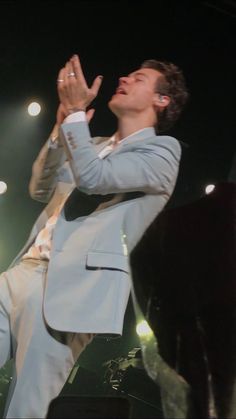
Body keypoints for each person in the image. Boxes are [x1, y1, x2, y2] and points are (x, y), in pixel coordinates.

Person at [0, 54, 188, 418]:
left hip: (68, 293)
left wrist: (73, 116)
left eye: (139, 77)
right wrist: (60, 128)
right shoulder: (92, 142)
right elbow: (41, 187)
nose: (125, 78)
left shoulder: (163, 152)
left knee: (26, 409)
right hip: (21, 271)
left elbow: (95, 179)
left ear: (161, 100)